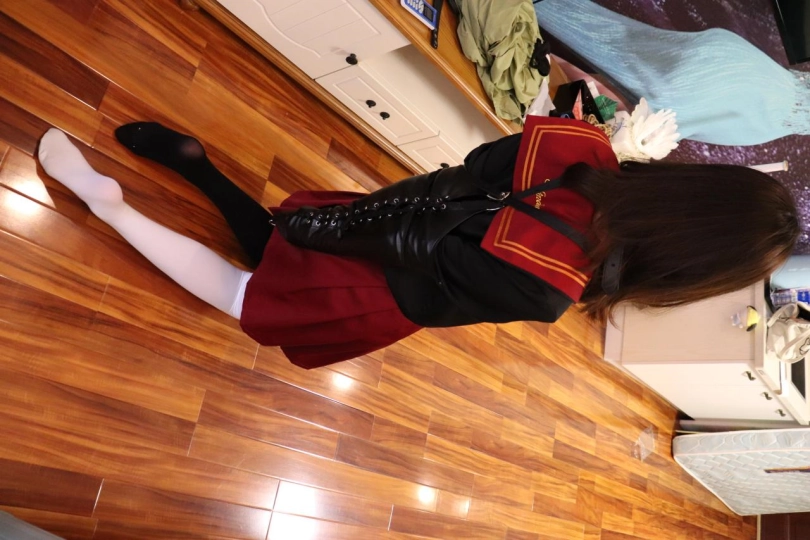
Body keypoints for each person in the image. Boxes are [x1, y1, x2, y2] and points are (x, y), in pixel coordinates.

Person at [36, 116, 799, 369]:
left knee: (282, 237)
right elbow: (437, 295)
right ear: (693, 269)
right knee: (244, 294)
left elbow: (475, 166)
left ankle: (196, 163)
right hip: (378, 284)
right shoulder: (551, 289)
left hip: (381, 212)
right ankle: (112, 208)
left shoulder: (580, 145)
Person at [534, 0, 810, 146]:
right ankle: (533, 54)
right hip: (726, 94)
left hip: (745, 68)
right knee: (617, 101)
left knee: (613, 38)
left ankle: (534, 35)